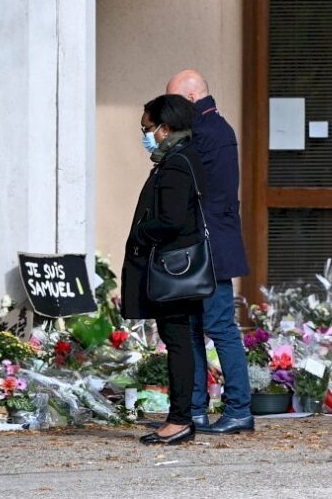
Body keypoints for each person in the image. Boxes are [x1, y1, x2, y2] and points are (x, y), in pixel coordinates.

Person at [164, 69, 253, 434]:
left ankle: (237, 409)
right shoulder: (215, 129)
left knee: (218, 326)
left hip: (208, 247)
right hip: (210, 244)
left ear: (189, 99)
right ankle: (196, 409)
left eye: (172, 104)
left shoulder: (204, 134)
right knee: (196, 327)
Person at [122, 93, 207, 446]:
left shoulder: (175, 163)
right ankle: (182, 417)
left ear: (165, 127)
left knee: (177, 342)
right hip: (177, 268)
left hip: (171, 270)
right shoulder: (182, 157)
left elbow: (170, 220)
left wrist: (141, 231)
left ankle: (179, 419)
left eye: (147, 128)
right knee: (180, 341)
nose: (145, 135)